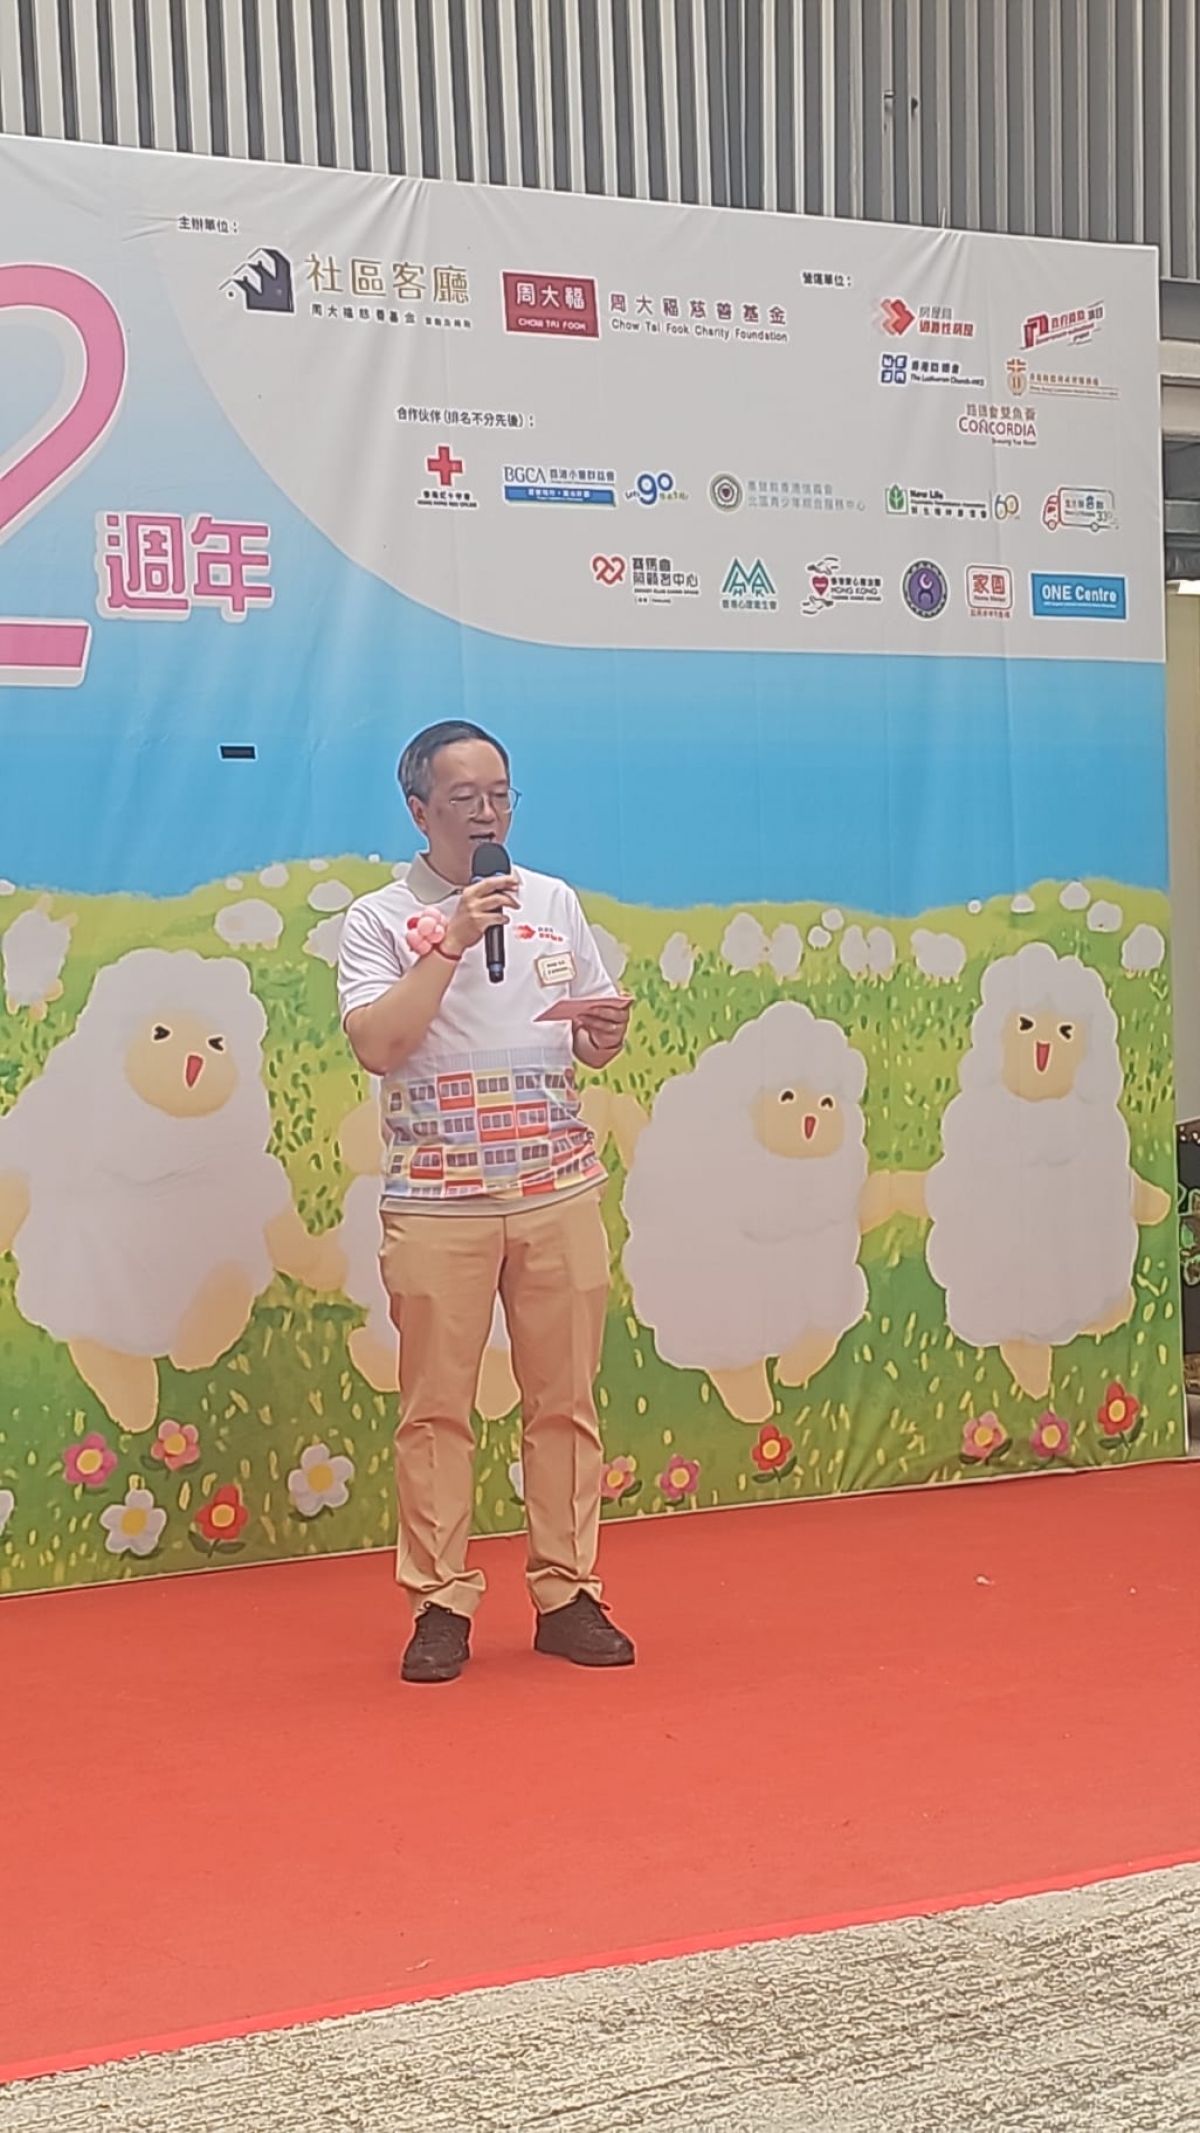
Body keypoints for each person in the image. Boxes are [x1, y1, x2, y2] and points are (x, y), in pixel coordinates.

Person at [337, 720, 635, 1683]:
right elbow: (379, 1044)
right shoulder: (379, 919)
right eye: (464, 797)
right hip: (437, 1202)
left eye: (500, 794)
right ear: (418, 809)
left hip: (556, 1188)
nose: (487, 813)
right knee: (436, 1411)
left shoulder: (552, 900)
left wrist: (601, 1035)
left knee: (565, 1402)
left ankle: (568, 1591)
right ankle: (439, 1602)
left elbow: (587, 1027)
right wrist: (453, 940)